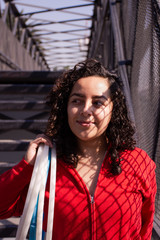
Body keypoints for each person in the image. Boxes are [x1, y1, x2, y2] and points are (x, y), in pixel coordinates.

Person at [0, 59, 157, 239]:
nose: (85, 110)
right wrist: (26, 166)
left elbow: (145, 229)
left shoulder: (138, 162)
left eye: (97, 103)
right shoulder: (46, 165)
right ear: (65, 107)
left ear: (114, 109)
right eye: (77, 101)